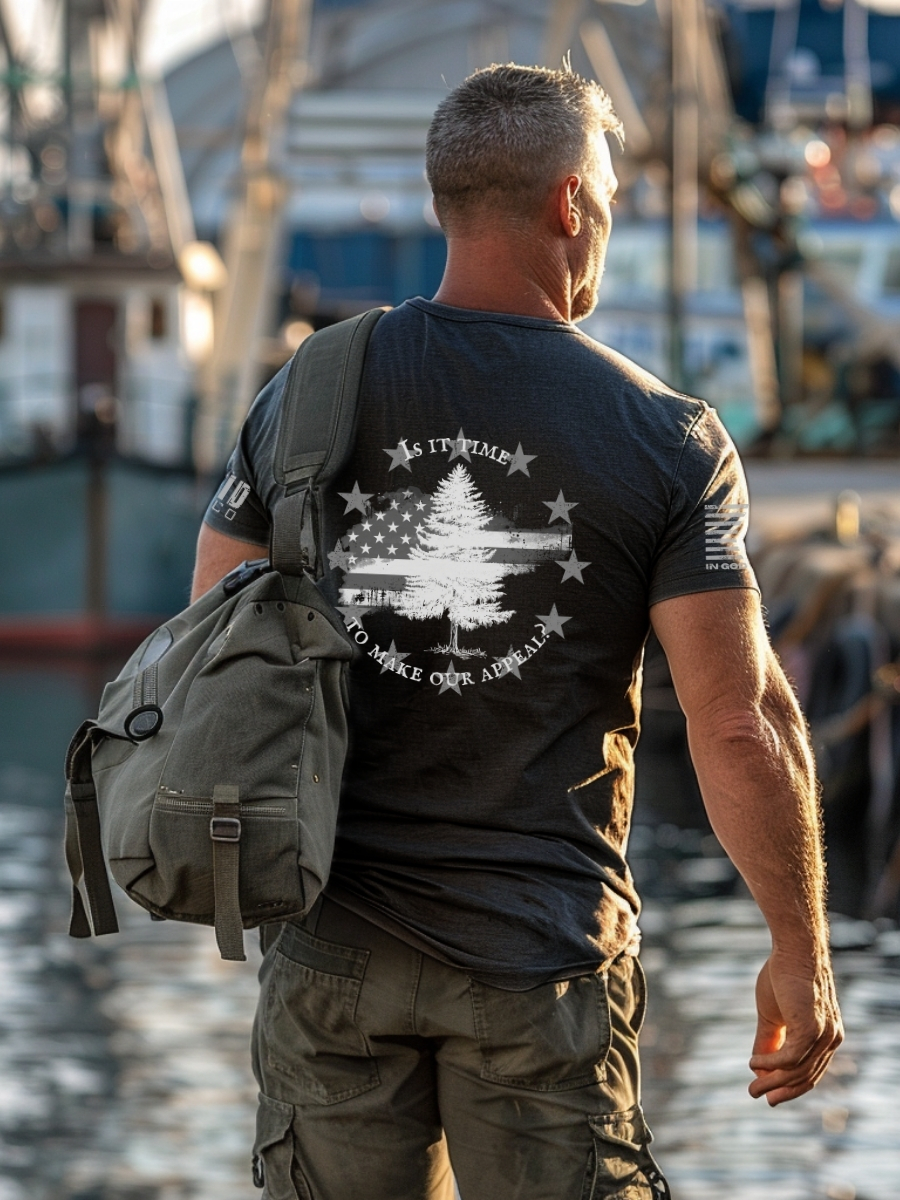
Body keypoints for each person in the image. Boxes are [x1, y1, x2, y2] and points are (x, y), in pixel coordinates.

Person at [193, 63, 843, 1200]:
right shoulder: (666, 439)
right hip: (542, 968)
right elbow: (738, 721)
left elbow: (210, 641)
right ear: (569, 206)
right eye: (610, 197)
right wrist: (801, 952)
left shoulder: (309, 388)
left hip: (333, 950)